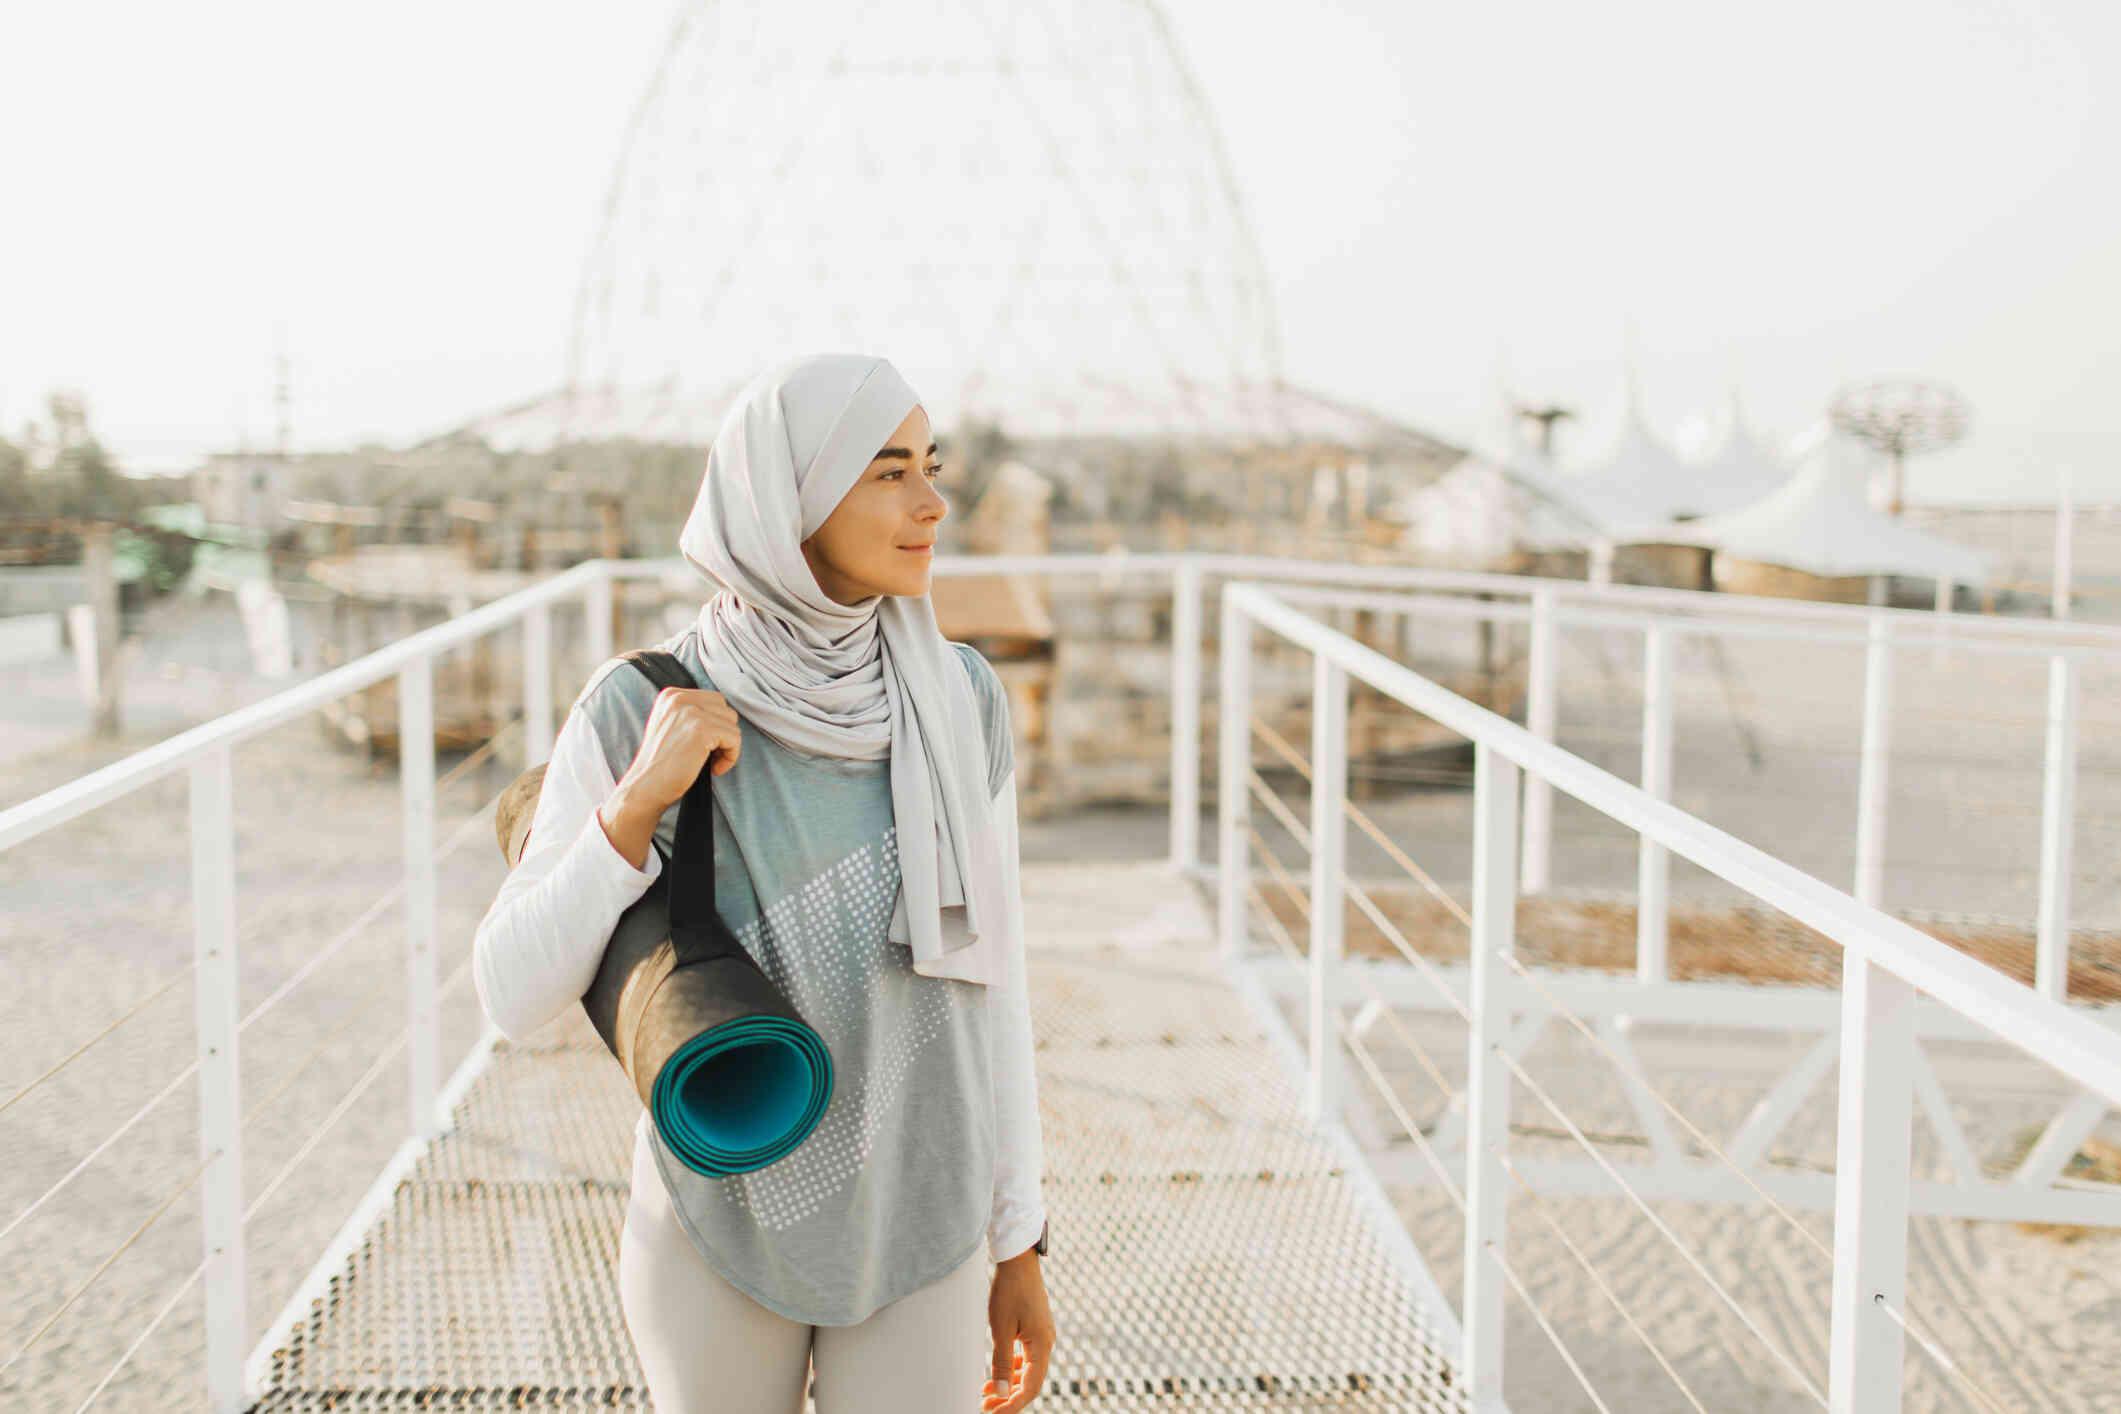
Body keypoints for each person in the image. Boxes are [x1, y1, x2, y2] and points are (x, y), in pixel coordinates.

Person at [471, 353, 1054, 1412]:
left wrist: (1021, 1240)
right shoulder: (638, 704)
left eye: (931, 465)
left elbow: (996, 986)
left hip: (927, 1205)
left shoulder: (959, 701)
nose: (933, 502)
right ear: (788, 497)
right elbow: (510, 996)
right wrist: (637, 803)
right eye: (887, 472)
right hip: (716, 1217)